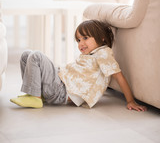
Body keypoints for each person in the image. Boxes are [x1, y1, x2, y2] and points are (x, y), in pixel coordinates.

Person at [10, 20, 147, 111]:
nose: (81, 43)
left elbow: (119, 76)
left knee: (36, 56)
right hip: (58, 85)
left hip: (61, 92)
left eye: (85, 38)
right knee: (26, 54)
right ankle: (34, 93)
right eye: (78, 40)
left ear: (102, 38)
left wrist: (130, 101)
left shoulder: (103, 53)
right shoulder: (90, 55)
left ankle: (35, 98)